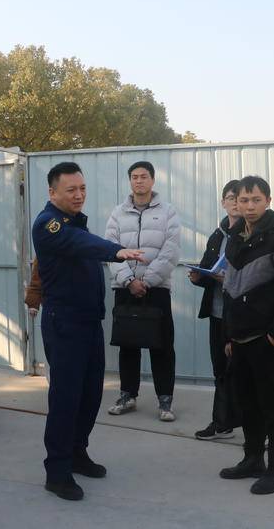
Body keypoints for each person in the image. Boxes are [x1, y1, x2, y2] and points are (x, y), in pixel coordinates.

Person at [32, 161, 144, 501]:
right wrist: (116, 251)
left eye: (82, 188)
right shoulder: (49, 224)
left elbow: (82, 242)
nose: (79, 195)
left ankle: (77, 453)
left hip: (89, 322)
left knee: (90, 394)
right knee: (66, 399)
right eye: (71, 190)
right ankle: (57, 471)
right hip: (64, 323)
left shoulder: (75, 222)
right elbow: (80, 244)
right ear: (53, 192)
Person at [218, 175, 274, 495]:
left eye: (256, 200)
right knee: (247, 403)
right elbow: (229, 288)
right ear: (235, 203)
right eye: (244, 200)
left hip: (265, 338)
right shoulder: (235, 237)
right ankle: (252, 458)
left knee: (273, 405)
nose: (250, 206)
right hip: (239, 338)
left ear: (268, 201)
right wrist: (229, 335)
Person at [105, 161, 181, 421]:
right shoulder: (118, 213)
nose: (139, 181)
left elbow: (171, 251)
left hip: (156, 288)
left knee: (162, 346)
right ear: (130, 181)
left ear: (153, 180)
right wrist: (129, 280)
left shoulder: (168, 212)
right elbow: (111, 250)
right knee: (128, 344)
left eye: (144, 176)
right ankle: (127, 396)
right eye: (134, 177)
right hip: (125, 287)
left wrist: (146, 281)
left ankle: (165, 401)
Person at [189, 179, 242, 440]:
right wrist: (198, 277)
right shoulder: (217, 235)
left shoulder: (252, 234)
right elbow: (208, 267)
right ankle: (222, 423)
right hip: (217, 312)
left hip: (240, 315)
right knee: (220, 370)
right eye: (230, 198)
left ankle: (241, 424)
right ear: (223, 202)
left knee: (239, 372)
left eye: (240, 198)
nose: (235, 203)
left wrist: (228, 279)